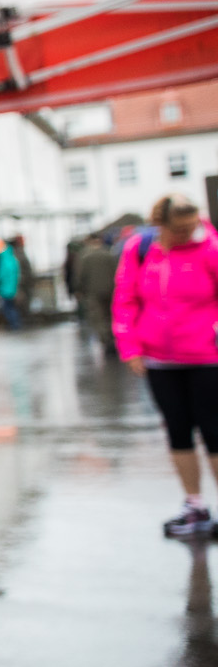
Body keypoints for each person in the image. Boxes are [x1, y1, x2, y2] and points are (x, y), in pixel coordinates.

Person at [112, 192, 218, 538]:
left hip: (207, 356)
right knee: (177, 430)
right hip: (159, 359)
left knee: (214, 432)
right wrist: (130, 347)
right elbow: (125, 298)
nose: (187, 234)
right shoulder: (140, 249)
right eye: (179, 229)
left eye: (191, 227)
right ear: (161, 224)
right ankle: (194, 505)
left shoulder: (211, 247)